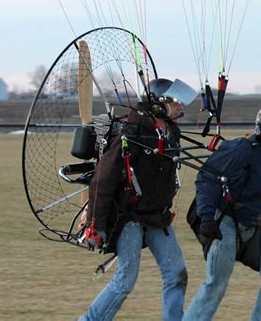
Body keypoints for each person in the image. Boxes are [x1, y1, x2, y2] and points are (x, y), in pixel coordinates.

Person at [78, 78, 196, 321]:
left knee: (176, 274)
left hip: (157, 217)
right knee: (125, 281)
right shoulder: (132, 132)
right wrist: (95, 225)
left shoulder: (171, 131)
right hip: (129, 217)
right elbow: (102, 179)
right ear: (158, 104)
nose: (180, 107)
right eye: (175, 103)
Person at [184, 103, 261, 321]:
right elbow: (207, 179)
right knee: (215, 285)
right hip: (223, 224)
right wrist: (207, 218)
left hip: (250, 225)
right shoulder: (241, 149)